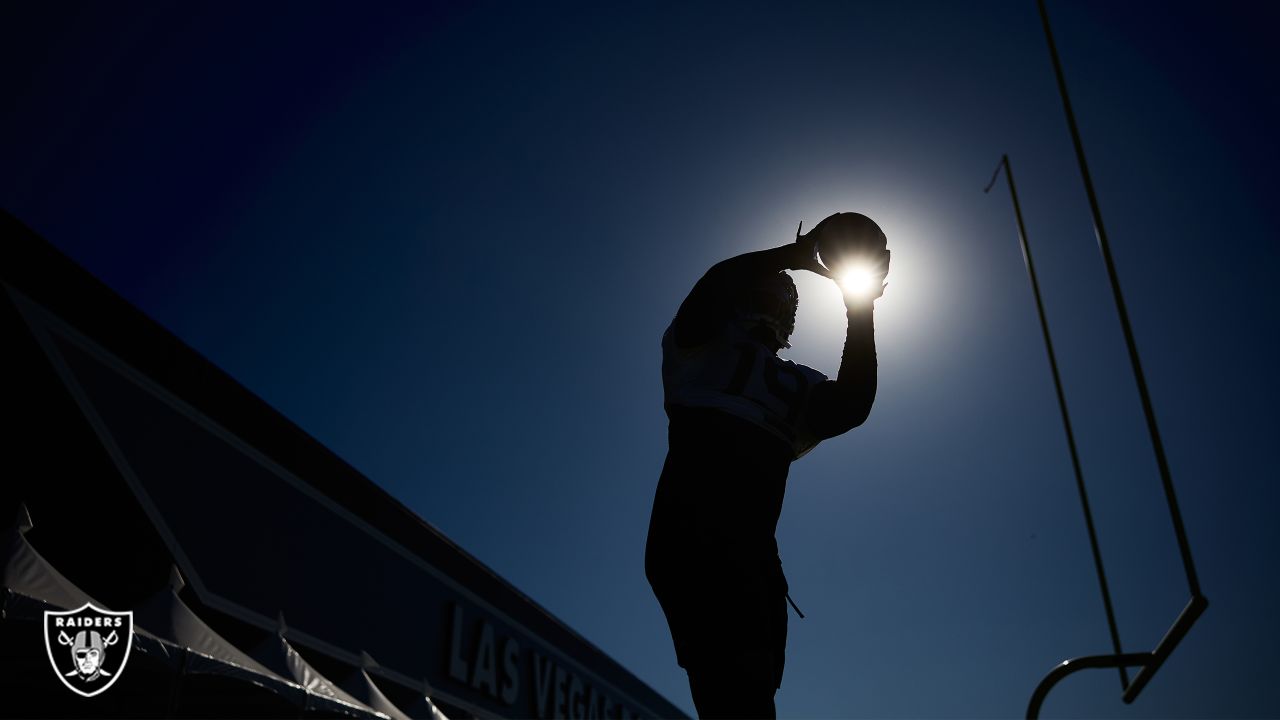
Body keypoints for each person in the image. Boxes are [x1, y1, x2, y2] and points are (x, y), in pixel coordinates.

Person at [645, 212, 889, 719]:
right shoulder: (701, 349)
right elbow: (713, 287)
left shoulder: (790, 381)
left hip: (732, 550)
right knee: (737, 694)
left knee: (741, 700)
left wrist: (859, 305)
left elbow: (852, 405)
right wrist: (794, 259)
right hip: (707, 540)